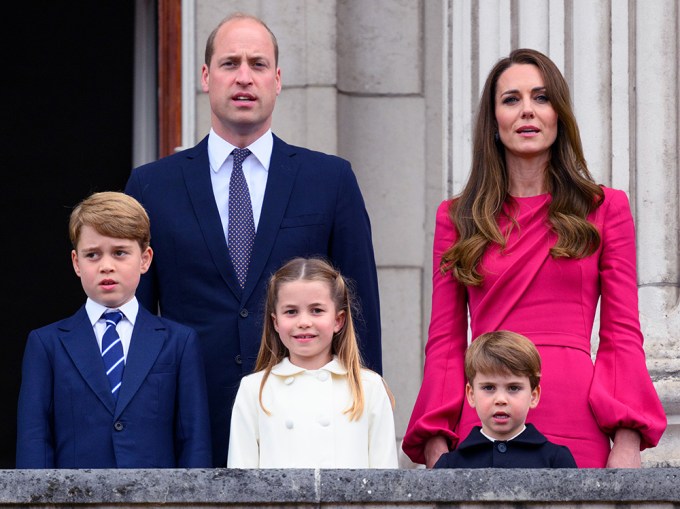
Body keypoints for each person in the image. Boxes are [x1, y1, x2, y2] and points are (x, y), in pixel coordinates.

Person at [125, 12, 382, 467]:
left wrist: (363, 412)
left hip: (306, 428)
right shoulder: (151, 187)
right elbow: (137, 321)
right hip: (189, 423)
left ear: (278, 79)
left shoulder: (329, 179)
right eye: (230, 63)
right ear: (205, 76)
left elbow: (359, 310)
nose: (244, 77)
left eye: (258, 64)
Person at [403, 48, 667, 469]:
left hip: (577, 419)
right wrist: (436, 440)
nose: (527, 110)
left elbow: (621, 334)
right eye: (511, 100)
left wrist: (627, 438)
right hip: (486, 421)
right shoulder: (457, 218)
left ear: (558, 114)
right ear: (494, 122)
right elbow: (445, 342)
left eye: (541, 98)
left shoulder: (604, 208)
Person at [16, 192, 212, 468]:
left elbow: (194, 440)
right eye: (92, 255)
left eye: (120, 253)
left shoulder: (179, 342)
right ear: (76, 263)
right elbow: (35, 440)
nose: (106, 266)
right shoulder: (46, 344)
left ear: (145, 259)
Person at [227, 257, 397, 468]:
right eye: (291, 312)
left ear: (338, 320)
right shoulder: (254, 390)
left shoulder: (369, 387)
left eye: (316, 310)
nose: (304, 322)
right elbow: (241, 481)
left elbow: (385, 481)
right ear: (276, 322)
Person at [434, 331, 577, 468]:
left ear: (533, 396)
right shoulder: (450, 464)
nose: (501, 400)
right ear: (471, 395)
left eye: (513, 388)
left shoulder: (557, 460)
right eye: (489, 387)